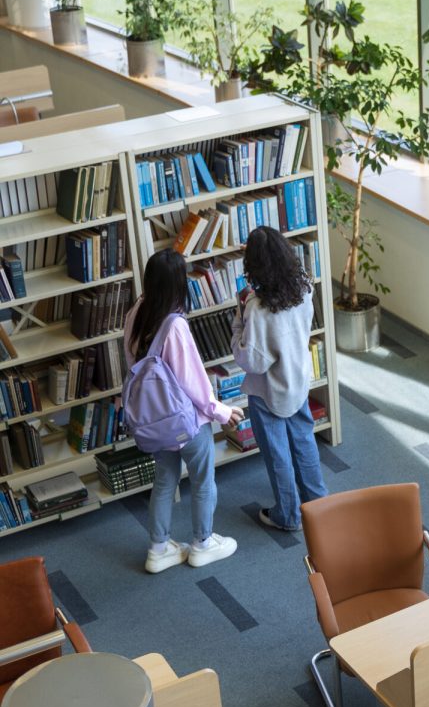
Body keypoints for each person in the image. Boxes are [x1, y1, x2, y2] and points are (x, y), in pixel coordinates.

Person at [124, 249, 242, 573]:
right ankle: (202, 544)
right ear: (178, 284)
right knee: (203, 479)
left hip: (152, 422)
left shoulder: (136, 311)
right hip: (185, 423)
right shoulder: (174, 325)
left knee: (165, 480)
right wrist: (222, 411)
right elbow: (194, 383)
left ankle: (158, 549)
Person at [231, 226, 328, 531]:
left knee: (277, 454)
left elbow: (252, 361)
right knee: (303, 440)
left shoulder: (257, 309)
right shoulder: (304, 288)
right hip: (298, 379)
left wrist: (238, 322)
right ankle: (320, 506)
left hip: (268, 391)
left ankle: (288, 515)